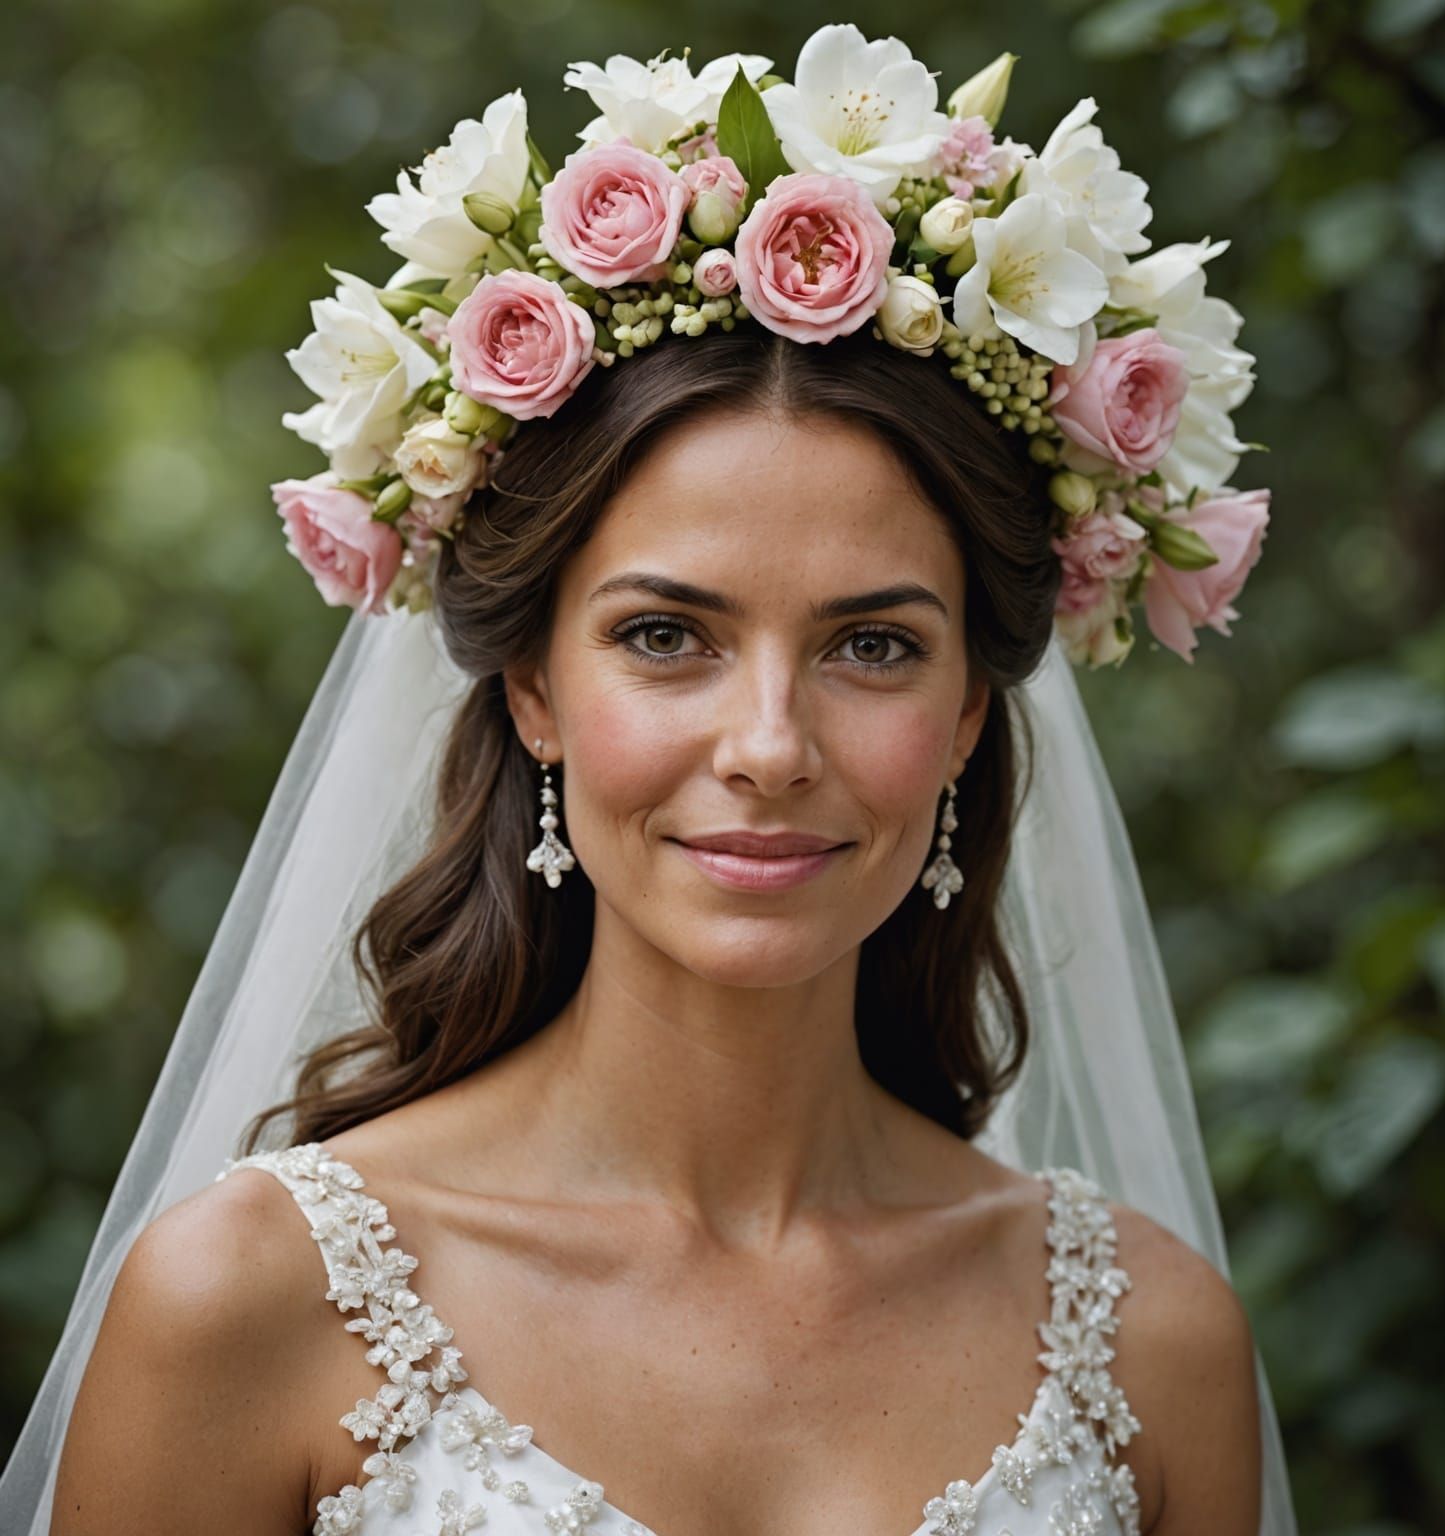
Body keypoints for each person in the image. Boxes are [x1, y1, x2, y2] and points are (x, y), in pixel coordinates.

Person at [2, 25, 1295, 1536]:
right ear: (536, 689)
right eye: (667, 635)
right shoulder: (249, 1305)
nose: (767, 745)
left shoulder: (1155, 1347)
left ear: (965, 721)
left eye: (872, 646)